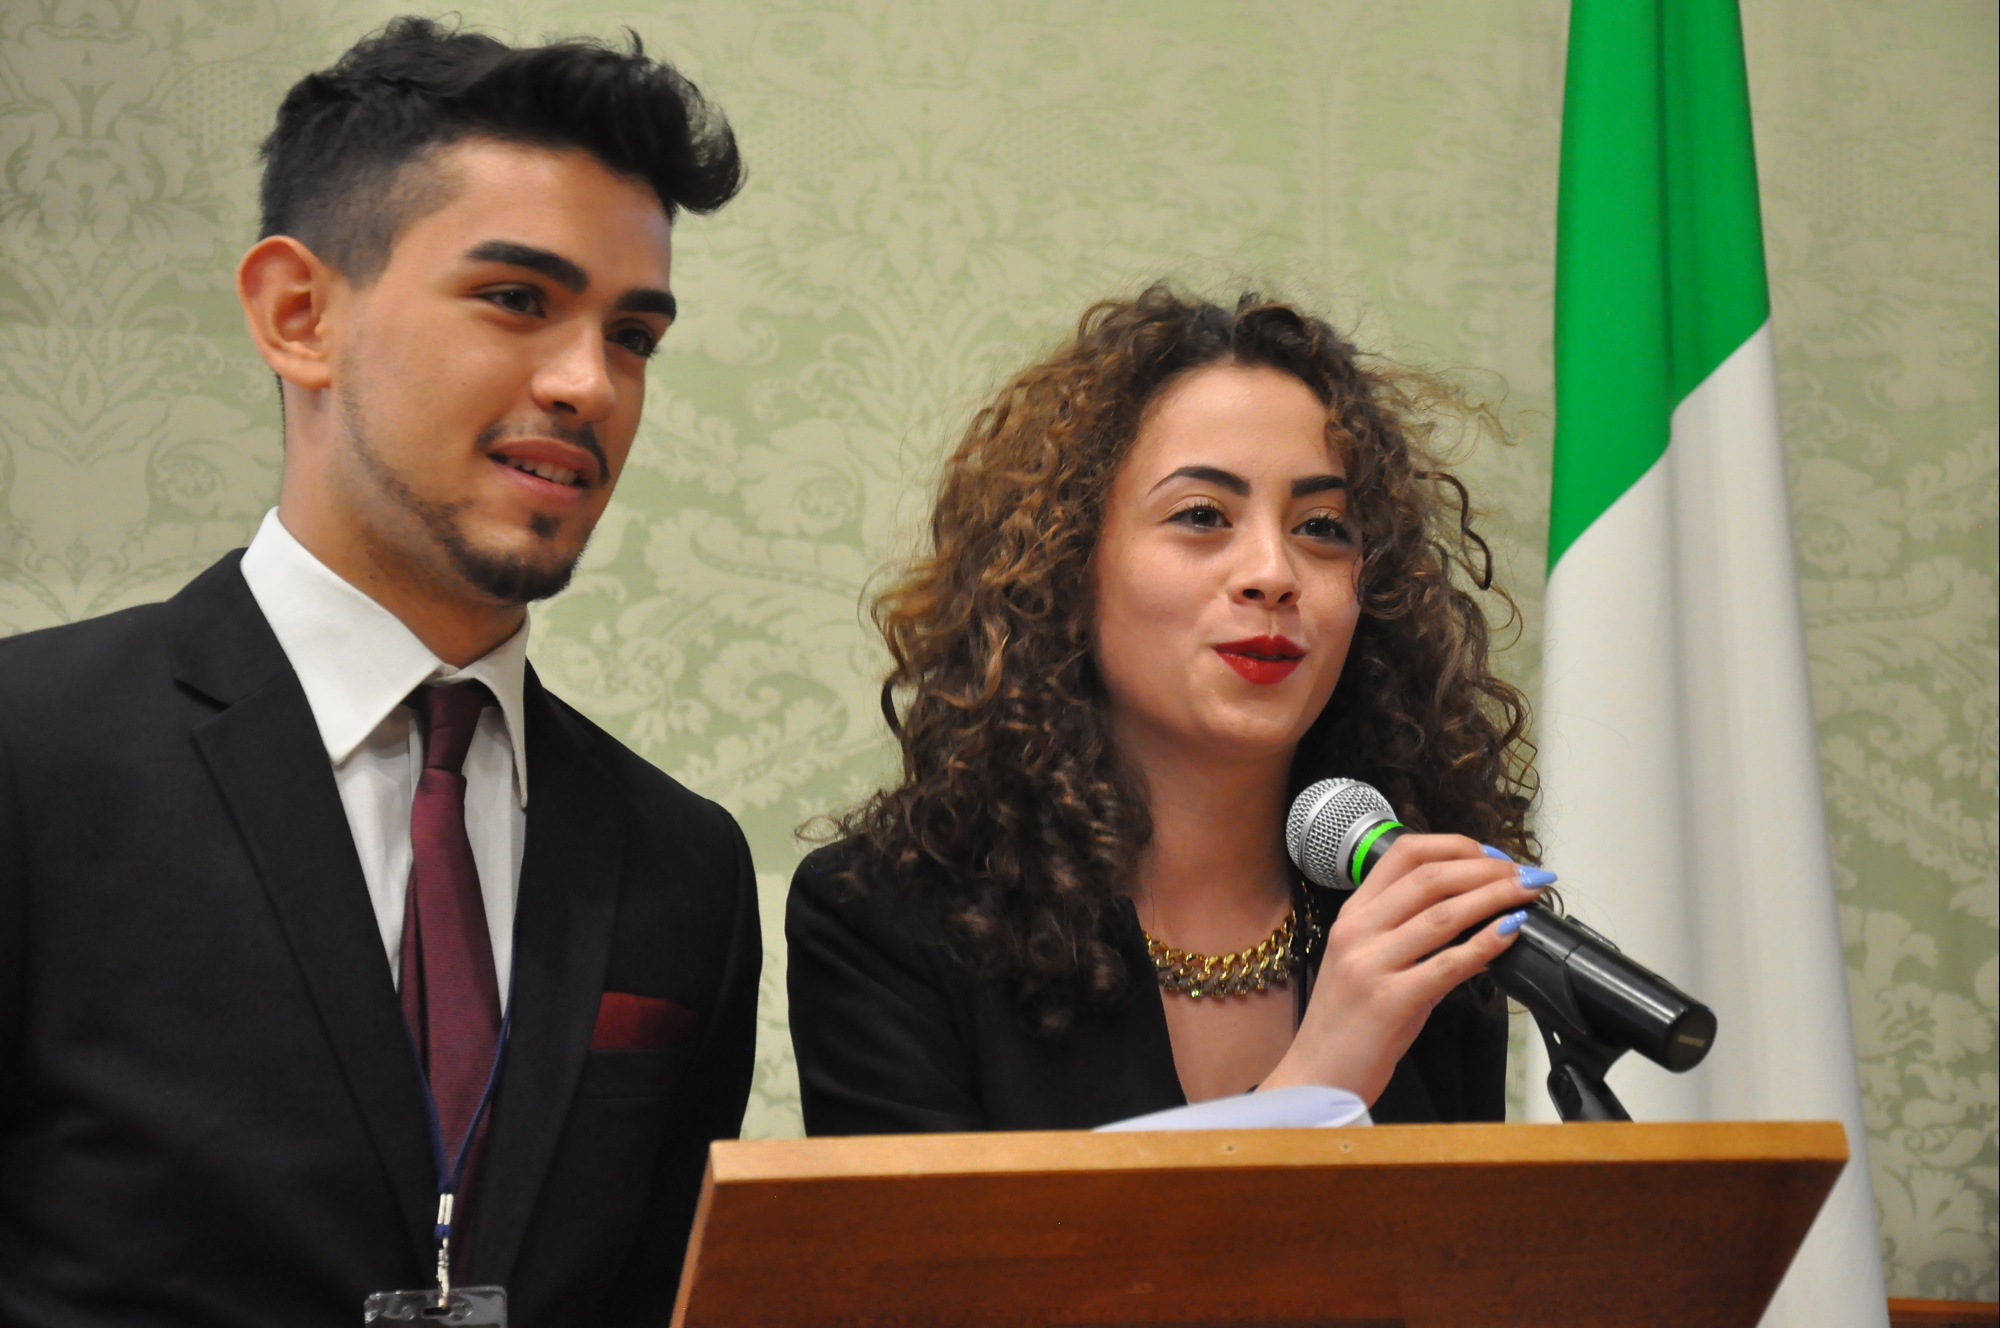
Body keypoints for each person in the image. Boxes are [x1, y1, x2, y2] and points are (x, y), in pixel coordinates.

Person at [0, 19, 759, 1324]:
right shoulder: (31, 755)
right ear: (299, 316)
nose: (590, 383)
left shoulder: (681, 862)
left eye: (634, 333)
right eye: (516, 298)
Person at [788, 287, 1552, 1133]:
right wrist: (1323, 1079)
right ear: (1068, 570)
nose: (1273, 573)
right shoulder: (886, 919)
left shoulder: (1412, 919)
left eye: (1323, 527)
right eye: (1202, 516)